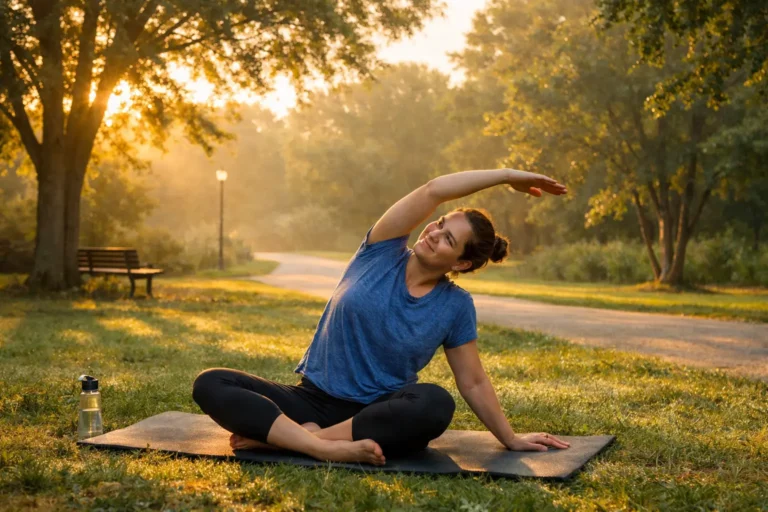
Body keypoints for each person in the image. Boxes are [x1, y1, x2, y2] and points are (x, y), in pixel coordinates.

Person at [193, 168, 571, 466]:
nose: (434, 233)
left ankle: (292, 441)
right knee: (212, 383)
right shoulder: (380, 250)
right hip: (310, 400)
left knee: (435, 404)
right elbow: (433, 190)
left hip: (375, 415)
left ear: (461, 263)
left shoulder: (455, 306)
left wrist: (510, 438)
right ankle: (321, 447)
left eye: (448, 240)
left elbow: (471, 381)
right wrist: (506, 176)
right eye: (440, 224)